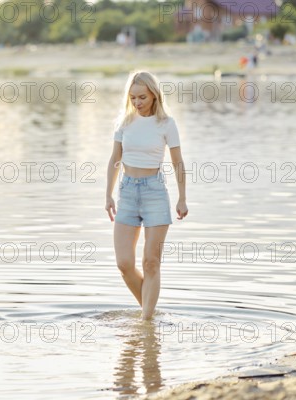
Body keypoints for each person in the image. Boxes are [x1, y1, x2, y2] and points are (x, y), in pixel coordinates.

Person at [105, 70, 188, 321]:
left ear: (154, 94)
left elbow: (178, 163)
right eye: (133, 98)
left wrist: (182, 197)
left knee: (151, 262)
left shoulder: (166, 124)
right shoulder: (124, 123)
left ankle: (146, 322)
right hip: (127, 193)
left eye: (142, 97)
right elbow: (114, 160)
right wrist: (108, 195)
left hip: (155, 192)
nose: (137, 102)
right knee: (124, 263)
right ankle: (150, 313)